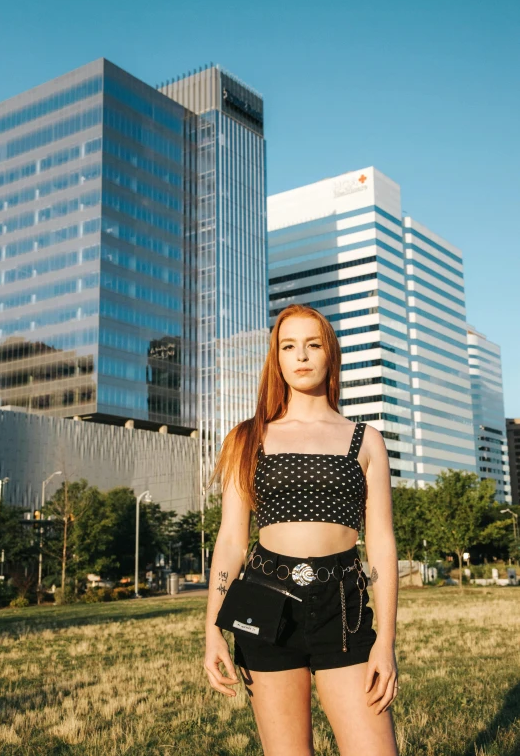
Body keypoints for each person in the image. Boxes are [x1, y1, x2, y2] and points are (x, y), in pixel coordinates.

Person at [204, 304, 399, 756]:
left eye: (313, 344)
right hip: (265, 602)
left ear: (330, 354)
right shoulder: (248, 437)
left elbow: (382, 544)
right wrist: (213, 627)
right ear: (276, 357)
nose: (302, 356)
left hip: (344, 609)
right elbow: (231, 540)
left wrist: (385, 642)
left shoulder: (365, 439)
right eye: (288, 346)